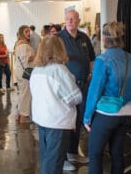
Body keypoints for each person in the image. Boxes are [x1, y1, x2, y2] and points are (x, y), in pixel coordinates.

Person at [83, 22, 131, 174]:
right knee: (117, 153)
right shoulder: (130, 58)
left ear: (105, 38)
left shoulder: (102, 60)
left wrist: (87, 117)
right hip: (127, 113)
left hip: (106, 114)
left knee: (95, 155)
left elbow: (94, 91)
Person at [30, 35, 82, 174]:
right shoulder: (60, 70)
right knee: (54, 163)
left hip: (42, 120)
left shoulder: (36, 70)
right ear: (60, 49)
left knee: (46, 159)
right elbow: (75, 98)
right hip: (58, 122)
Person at [58, 9, 95, 170]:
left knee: (78, 120)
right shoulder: (59, 39)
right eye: (67, 19)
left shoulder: (84, 37)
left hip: (83, 86)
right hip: (67, 88)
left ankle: (73, 152)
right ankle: (64, 156)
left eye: (73, 19)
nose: (70, 21)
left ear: (78, 21)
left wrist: (91, 75)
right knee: (66, 121)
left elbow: (92, 59)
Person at [14, 25, 35, 123]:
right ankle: (24, 116)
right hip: (25, 72)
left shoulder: (20, 43)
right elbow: (25, 59)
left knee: (22, 94)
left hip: (20, 72)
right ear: (22, 33)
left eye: (29, 31)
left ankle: (19, 114)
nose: (28, 33)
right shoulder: (23, 45)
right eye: (26, 32)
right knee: (26, 94)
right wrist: (37, 56)